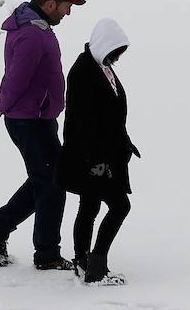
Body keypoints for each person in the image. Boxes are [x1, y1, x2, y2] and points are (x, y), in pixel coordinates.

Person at [0, 0, 85, 271]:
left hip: (36, 118)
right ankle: (46, 254)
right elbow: (18, 75)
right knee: (52, 183)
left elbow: (15, 72)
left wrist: (2, 96)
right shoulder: (33, 34)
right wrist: (4, 102)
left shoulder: (36, 27)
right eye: (66, 6)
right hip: (29, 121)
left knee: (46, 180)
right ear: (50, 4)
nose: (68, 12)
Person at [57, 17, 140, 285]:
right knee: (119, 206)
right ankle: (95, 266)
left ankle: (83, 261)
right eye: (116, 52)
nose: (117, 59)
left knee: (90, 206)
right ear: (105, 46)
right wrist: (96, 160)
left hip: (102, 156)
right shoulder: (83, 71)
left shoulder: (99, 66)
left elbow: (111, 114)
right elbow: (82, 122)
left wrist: (125, 142)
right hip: (93, 159)